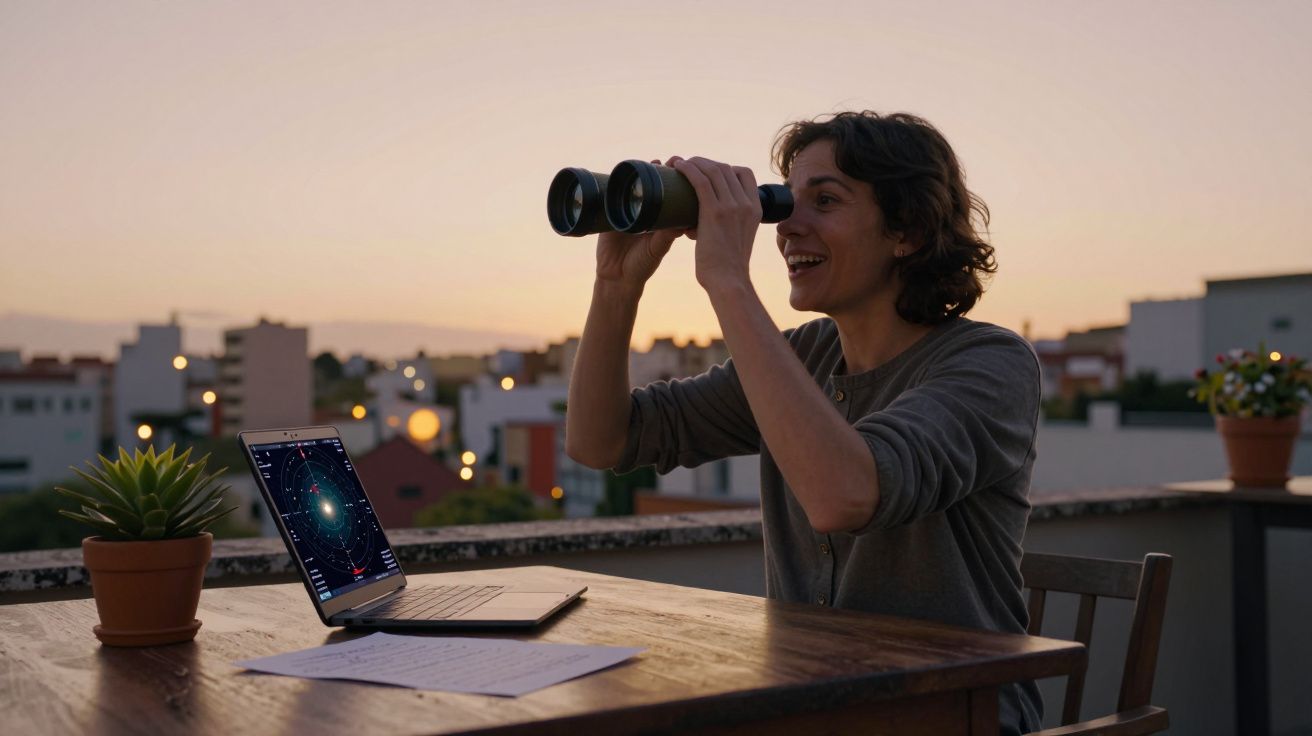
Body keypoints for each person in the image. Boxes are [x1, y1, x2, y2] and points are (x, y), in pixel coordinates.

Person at [564, 111, 1043, 735]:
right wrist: (615, 284)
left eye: (825, 200)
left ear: (909, 231)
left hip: (955, 714)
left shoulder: (991, 364)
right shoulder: (800, 358)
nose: (788, 226)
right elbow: (600, 441)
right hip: (817, 709)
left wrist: (729, 281)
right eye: (785, 200)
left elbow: (845, 494)